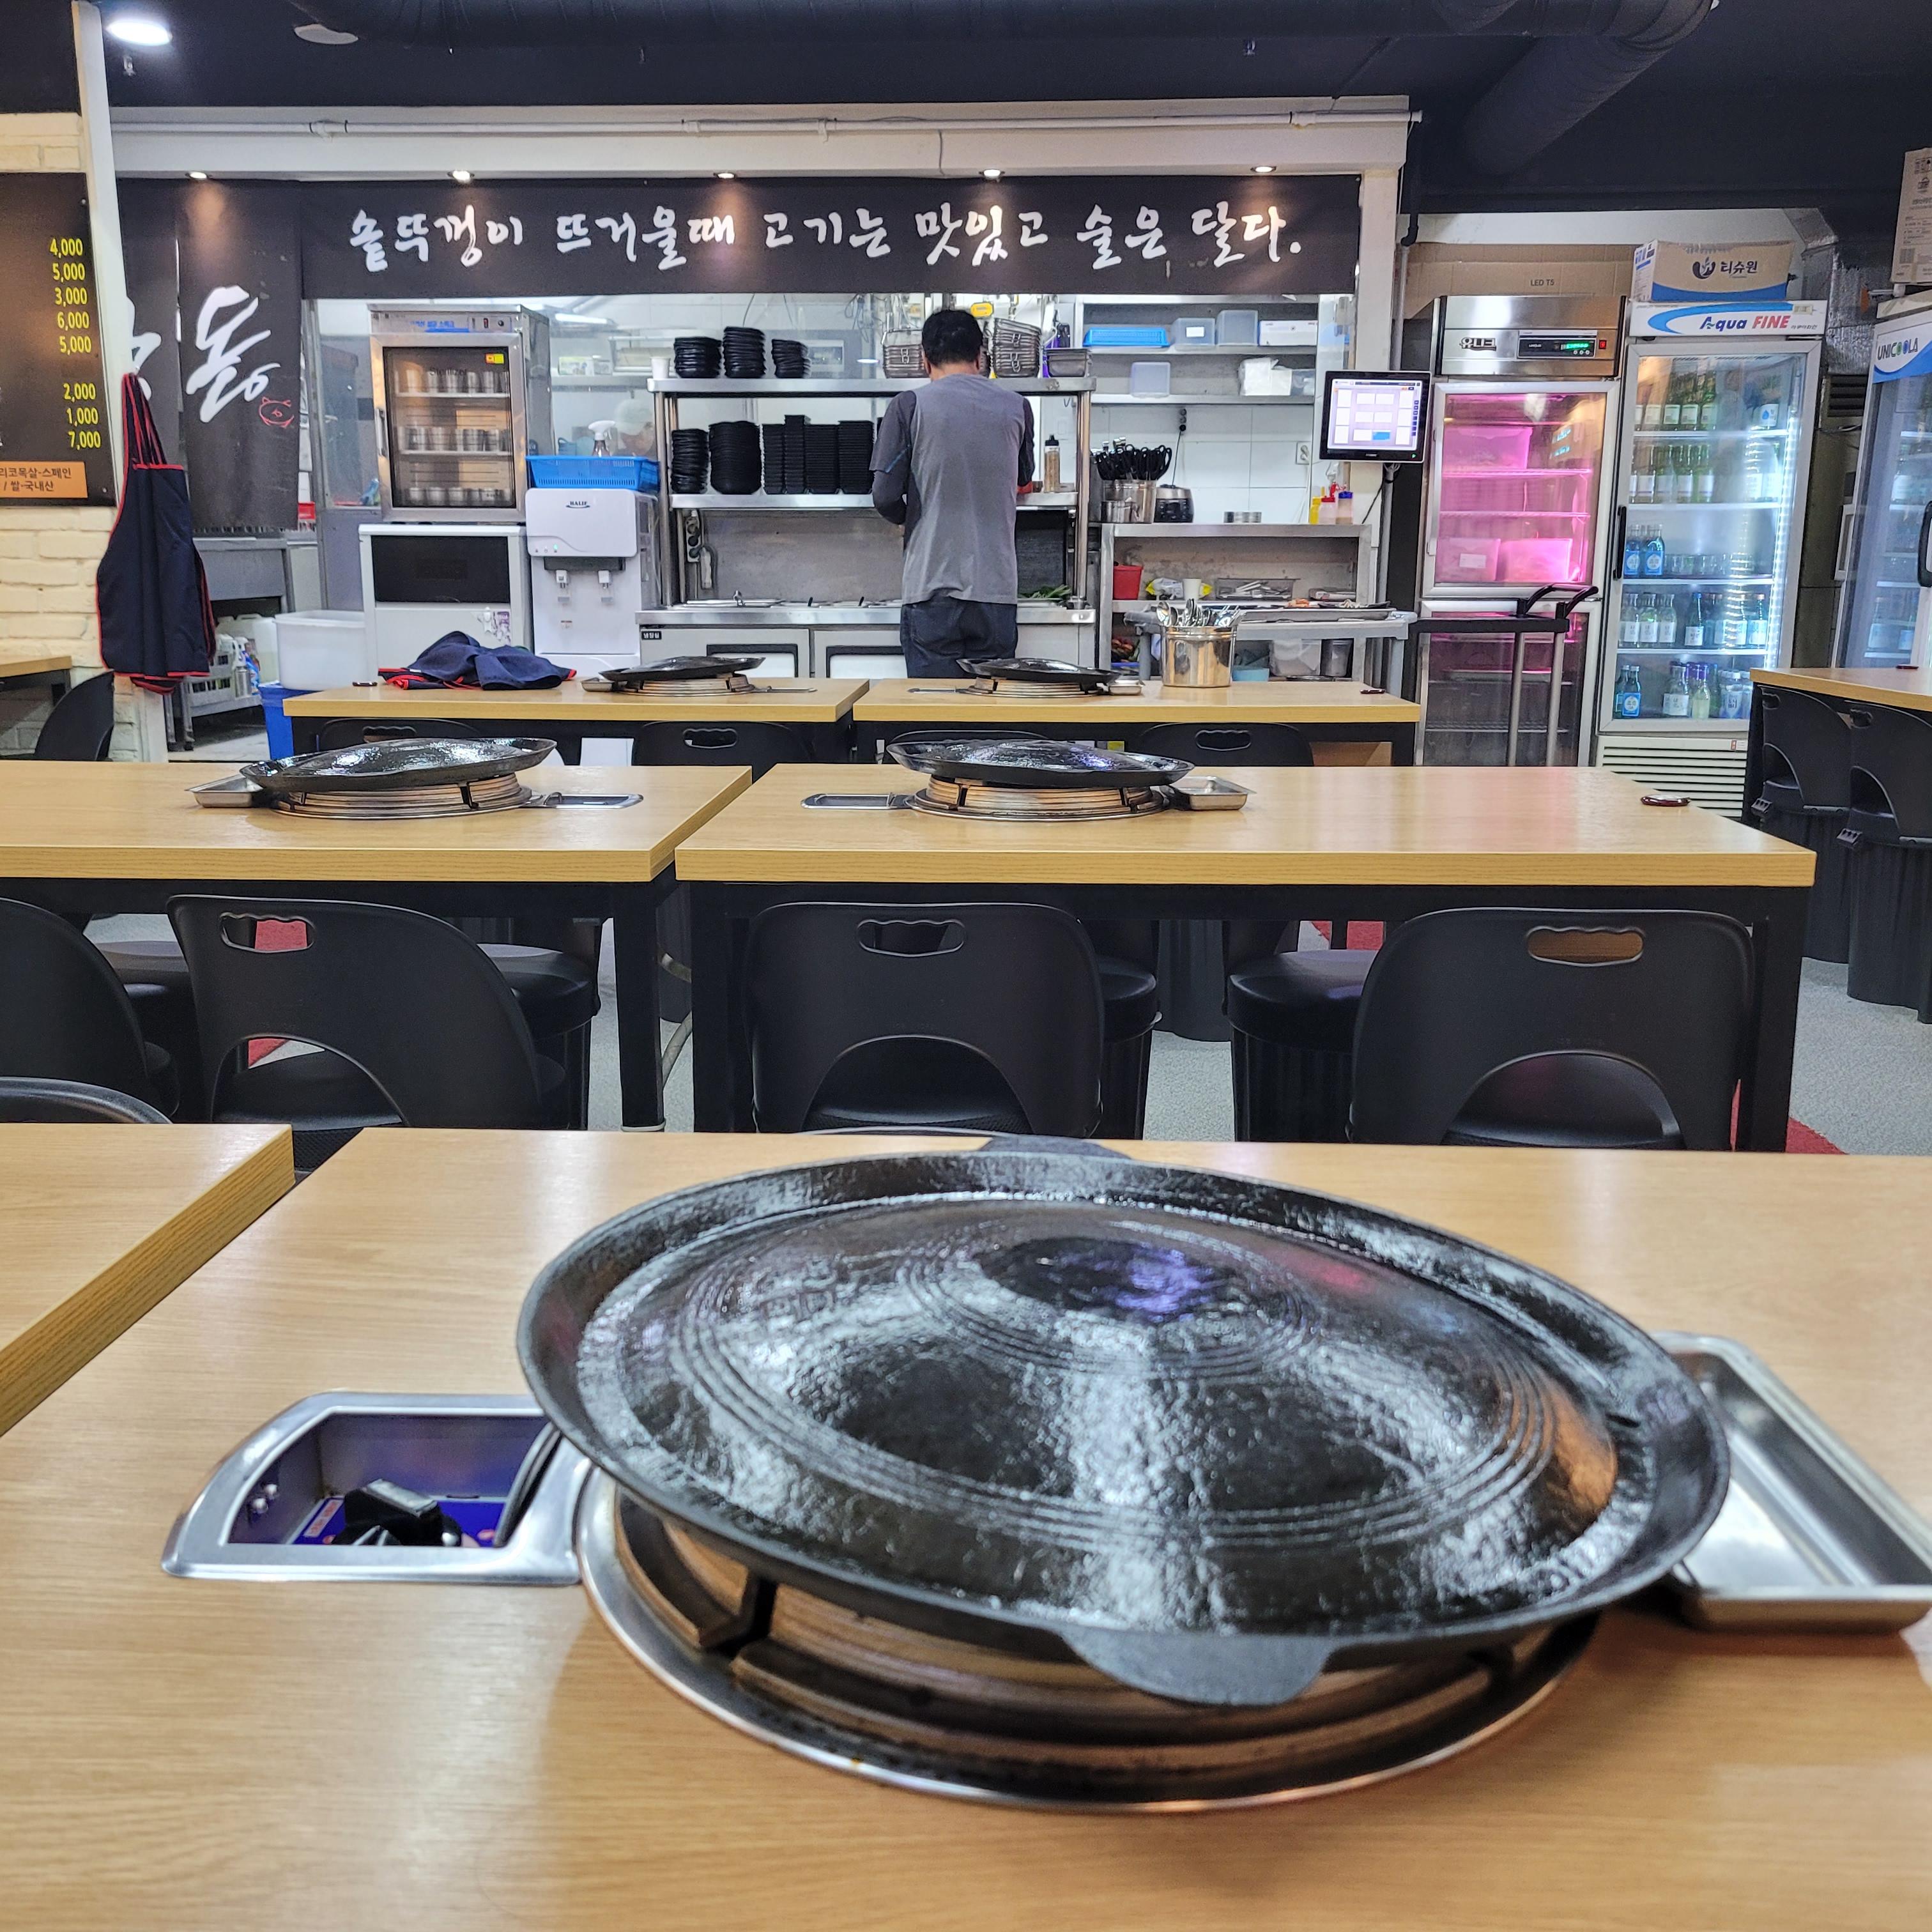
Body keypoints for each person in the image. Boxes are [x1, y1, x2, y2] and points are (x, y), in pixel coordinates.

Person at [870, 309, 1035, 677]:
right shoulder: (1018, 407)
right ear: (981, 356)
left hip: (931, 589)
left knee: (934, 707)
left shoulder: (908, 406)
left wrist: (913, 520)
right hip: (996, 592)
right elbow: (1024, 476)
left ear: (924, 359)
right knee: (990, 705)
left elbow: (883, 495)